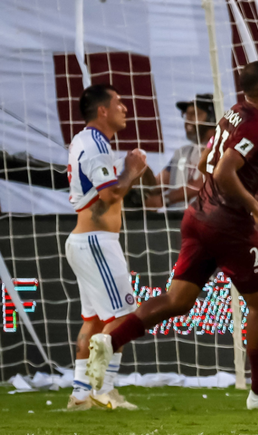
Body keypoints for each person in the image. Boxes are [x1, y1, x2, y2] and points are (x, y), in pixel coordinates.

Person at [86, 61, 258, 409]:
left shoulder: (235, 113)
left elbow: (205, 163)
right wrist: (255, 208)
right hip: (229, 227)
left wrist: (249, 193)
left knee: (178, 300)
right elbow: (222, 169)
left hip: (198, 216)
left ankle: (111, 341)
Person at [65, 84, 148, 410]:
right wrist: (132, 170)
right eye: (118, 102)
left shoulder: (87, 141)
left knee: (95, 321)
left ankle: (81, 394)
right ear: (102, 110)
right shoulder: (95, 143)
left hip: (85, 242)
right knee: (124, 316)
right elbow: (111, 194)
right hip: (96, 243)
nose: (124, 107)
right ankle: (104, 390)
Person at [153, 94, 217, 209]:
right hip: (175, 222)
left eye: (194, 114)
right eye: (186, 115)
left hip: (207, 221)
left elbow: (203, 183)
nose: (188, 119)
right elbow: (159, 182)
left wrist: (165, 199)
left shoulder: (220, 148)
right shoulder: (182, 152)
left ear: (211, 118)